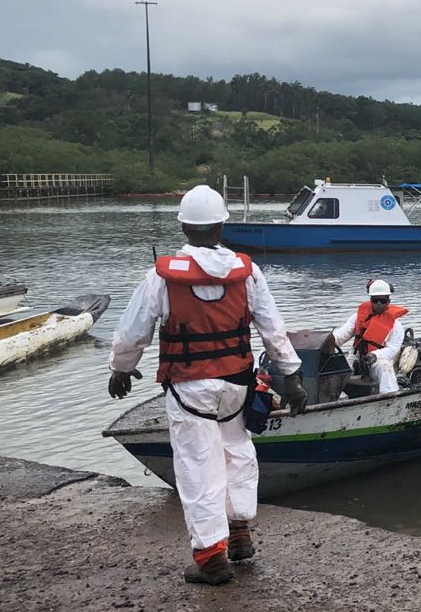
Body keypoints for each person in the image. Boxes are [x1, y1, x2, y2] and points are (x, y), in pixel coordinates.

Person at [107, 185, 308, 586]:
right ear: (221, 225)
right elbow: (274, 330)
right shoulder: (247, 272)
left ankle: (211, 558)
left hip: (188, 389)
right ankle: (240, 533)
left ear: (183, 224)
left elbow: (132, 333)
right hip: (237, 385)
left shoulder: (160, 278)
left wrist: (121, 368)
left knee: (199, 467)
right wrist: (293, 377)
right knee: (237, 453)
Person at [325, 279, 408, 394]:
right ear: (370, 300)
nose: (379, 303)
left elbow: (393, 349)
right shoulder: (357, 317)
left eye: (382, 300)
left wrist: (374, 355)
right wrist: (327, 341)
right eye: (375, 300)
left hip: (378, 361)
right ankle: (331, 401)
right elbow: (342, 334)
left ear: (388, 301)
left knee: (385, 367)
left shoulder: (396, 325)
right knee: (334, 372)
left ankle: (390, 398)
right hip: (356, 358)